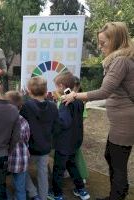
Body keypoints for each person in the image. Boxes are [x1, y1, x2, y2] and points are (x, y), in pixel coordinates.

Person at [62, 22, 134, 200]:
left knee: (117, 163)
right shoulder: (122, 59)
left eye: (103, 43)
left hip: (125, 121)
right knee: (110, 155)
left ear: (116, 40)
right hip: (120, 121)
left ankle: (117, 196)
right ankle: (120, 192)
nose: (100, 47)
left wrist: (75, 96)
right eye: (99, 43)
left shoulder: (120, 61)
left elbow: (104, 91)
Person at [48, 71, 90, 200]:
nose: (56, 89)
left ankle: (57, 193)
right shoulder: (78, 100)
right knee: (72, 165)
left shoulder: (65, 102)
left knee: (58, 169)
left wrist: (53, 120)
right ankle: (81, 190)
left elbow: (63, 123)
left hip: (64, 143)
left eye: (56, 86)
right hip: (75, 140)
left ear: (61, 86)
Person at [20, 77, 59, 200]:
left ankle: (32, 193)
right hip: (45, 146)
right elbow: (57, 127)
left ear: (29, 91)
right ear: (46, 90)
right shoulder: (53, 106)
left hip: (29, 147)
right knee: (43, 173)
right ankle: (42, 197)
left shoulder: (26, 106)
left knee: (21, 171)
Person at [5, 91, 31, 200]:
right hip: (21, 160)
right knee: (20, 188)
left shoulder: (2, 121)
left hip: (6, 159)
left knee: (1, 183)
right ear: (20, 107)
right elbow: (26, 139)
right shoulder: (24, 122)